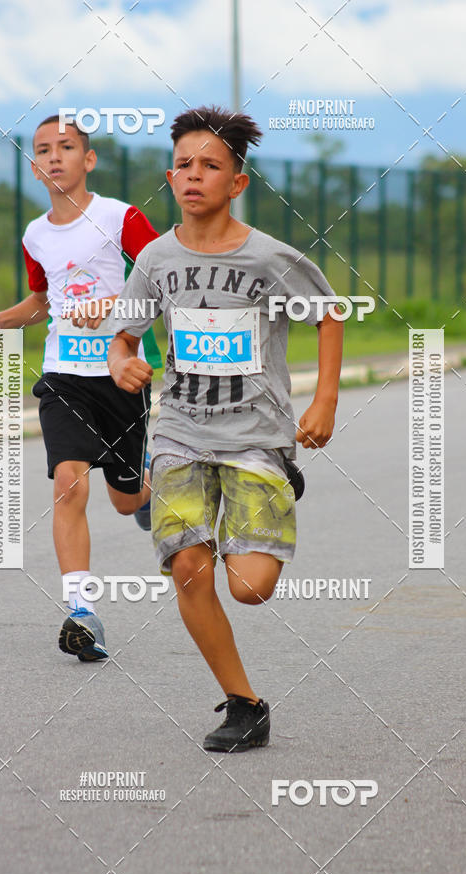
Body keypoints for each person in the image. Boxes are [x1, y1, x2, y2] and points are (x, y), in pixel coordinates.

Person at [108, 105, 343, 752]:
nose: (194, 175)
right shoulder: (155, 259)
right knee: (188, 567)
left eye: (210, 166)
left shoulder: (271, 258)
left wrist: (324, 402)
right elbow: (124, 339)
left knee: (250, 588)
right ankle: (244, 704)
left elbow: (329, 315)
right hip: (181, 429)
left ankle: (252, 490)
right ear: (170, 175)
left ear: (237, 182)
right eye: (184, 164)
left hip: (256, 436)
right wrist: (125, 362)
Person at [0, 114, 160, 662]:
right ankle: (83, 612)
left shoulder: (120, 217)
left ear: (88, 159)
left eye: (67, 147)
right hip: (62, 377)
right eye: (44, 150)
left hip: (121, 376)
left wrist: (115, 307)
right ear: (34, 167)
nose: (55, 157)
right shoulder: (34, 234)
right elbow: (43, 302)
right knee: (69, 484)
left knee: (125, 504)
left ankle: (146, 492)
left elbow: (164, 284)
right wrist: (1, 320)